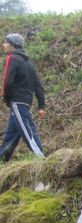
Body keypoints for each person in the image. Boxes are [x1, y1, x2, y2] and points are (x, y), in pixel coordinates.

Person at [0, 33, 45, 162]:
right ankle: (2, 160)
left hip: (17, 101)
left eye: (6, 42)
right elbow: (38, 86)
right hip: (25, 102)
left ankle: (40, 158)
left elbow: (7, 81)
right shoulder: (29, 63)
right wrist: (42, 106)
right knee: (12, 135)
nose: (3, 45)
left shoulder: (12, 57)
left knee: (27, 129)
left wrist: (7, 98)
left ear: (13, 45)